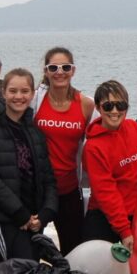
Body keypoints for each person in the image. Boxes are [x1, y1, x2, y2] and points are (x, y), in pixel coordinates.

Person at [0, 68, 58, 263]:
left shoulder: (35, 133)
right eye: (13, 91)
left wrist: (44, 214)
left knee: (32, 272)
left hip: (33, 220)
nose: (19, 96)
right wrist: (20, 214)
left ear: (33, 94)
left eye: (25, 91)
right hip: (4, 218)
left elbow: (47, 177)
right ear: (3, 93)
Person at [30, 48, 93, 254]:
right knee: (31, 247)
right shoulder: (35, 100)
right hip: (37, 188)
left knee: (73, 250)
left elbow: (103, 134)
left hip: (69, 189)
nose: (60, 72)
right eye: (53, 67)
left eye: (65, 67)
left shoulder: (86, 104)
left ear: (73, 70)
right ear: (46, 71)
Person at [83, 80, 137, 249]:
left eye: (121, 105)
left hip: (136, 213)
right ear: (98, 107)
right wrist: (124, 231)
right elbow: (106, 192)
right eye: (108, 106)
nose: (115, 111)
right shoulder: (93, 147)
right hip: (104, 214)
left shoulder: (134, 127)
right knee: (95, 269)